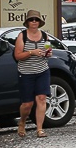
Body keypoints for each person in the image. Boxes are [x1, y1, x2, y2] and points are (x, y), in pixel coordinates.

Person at [14, 10, 51, 138]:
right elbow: (17, 55)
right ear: (27, 22)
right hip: (26, 73)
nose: (34, 22)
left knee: (41, 98)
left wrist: (48, 53)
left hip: (42, 70)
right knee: (27, 104)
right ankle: (22, 122)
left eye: (36, 19)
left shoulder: (45, 35)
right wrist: (31, 52)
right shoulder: (22, 36)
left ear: (40, 22)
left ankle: (40, 129)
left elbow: (48, 51)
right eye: (31, 20)